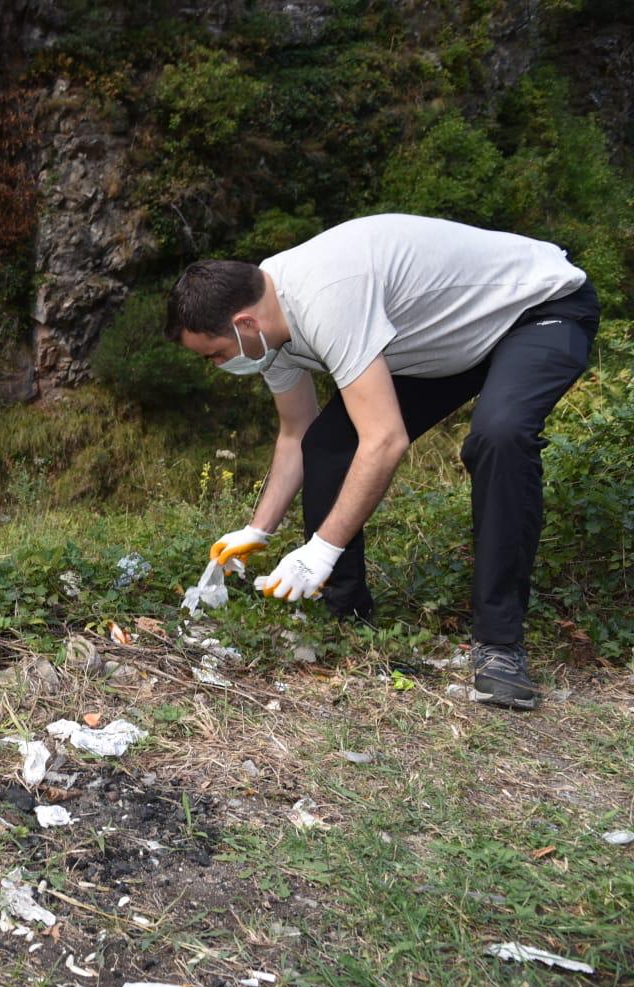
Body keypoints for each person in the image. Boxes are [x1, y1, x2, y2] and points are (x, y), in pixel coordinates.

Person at [165, 214, 600, 710]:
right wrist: (258, 529)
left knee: (499, 437)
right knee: (328, 443)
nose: (220, 366)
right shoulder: (268, 329)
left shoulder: (325, 297)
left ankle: (500, 649)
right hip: (447, 343)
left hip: (539, 310)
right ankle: (345, 615)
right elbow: (297, 433)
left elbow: (385, 439)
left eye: (216, 354)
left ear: (244, 324)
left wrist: (321, 548)